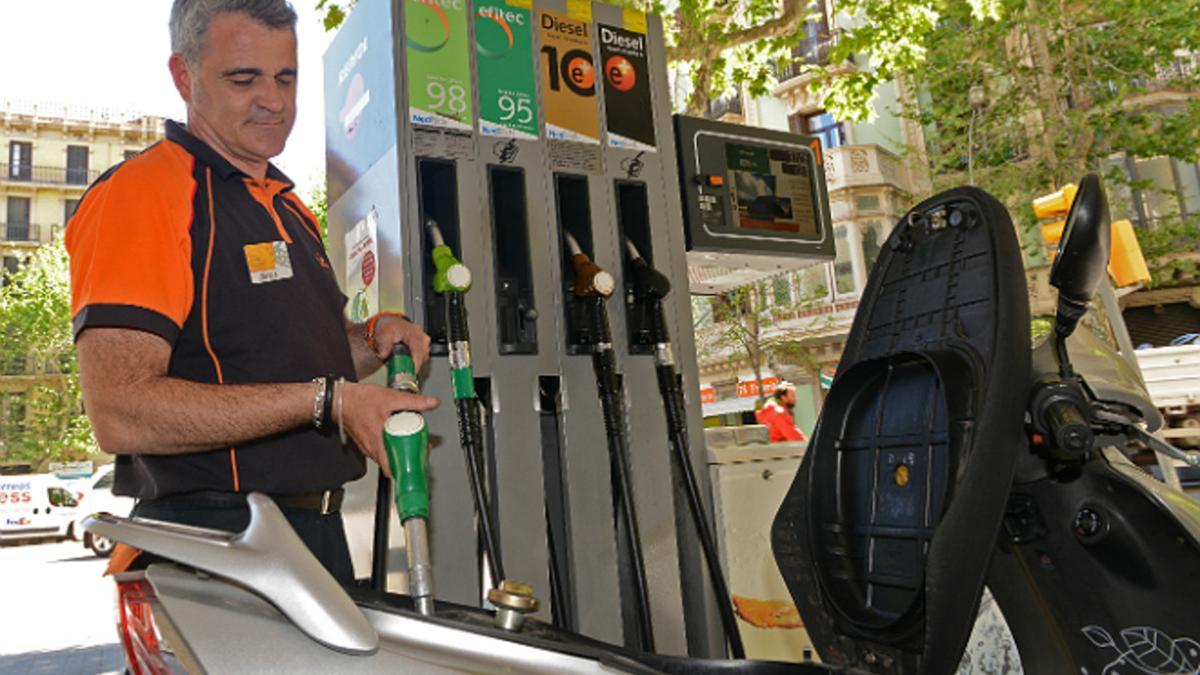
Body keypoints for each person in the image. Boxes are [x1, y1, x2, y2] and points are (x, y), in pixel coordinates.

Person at [67, 0, 437, 584]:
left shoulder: (288, 208)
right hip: (217, 544)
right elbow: (121, 410)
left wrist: (370, 340)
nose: (274, 100)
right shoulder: (144, 194)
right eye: (244, 79)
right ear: (184, 77)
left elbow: (288, 364)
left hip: (311, 533)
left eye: (285, 77)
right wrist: (329, 401)